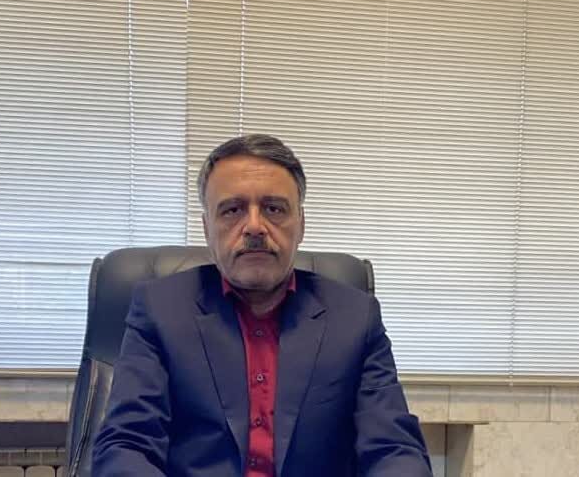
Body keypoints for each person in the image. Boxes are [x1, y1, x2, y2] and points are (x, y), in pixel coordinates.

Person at [92, 134, 432, 476]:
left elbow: (394, 449)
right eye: (232, 210)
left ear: (301, 224)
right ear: (207, 228)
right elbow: (126, 445)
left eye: (274, 209)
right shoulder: (160, 310)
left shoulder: (355, 317)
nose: (254, 227)